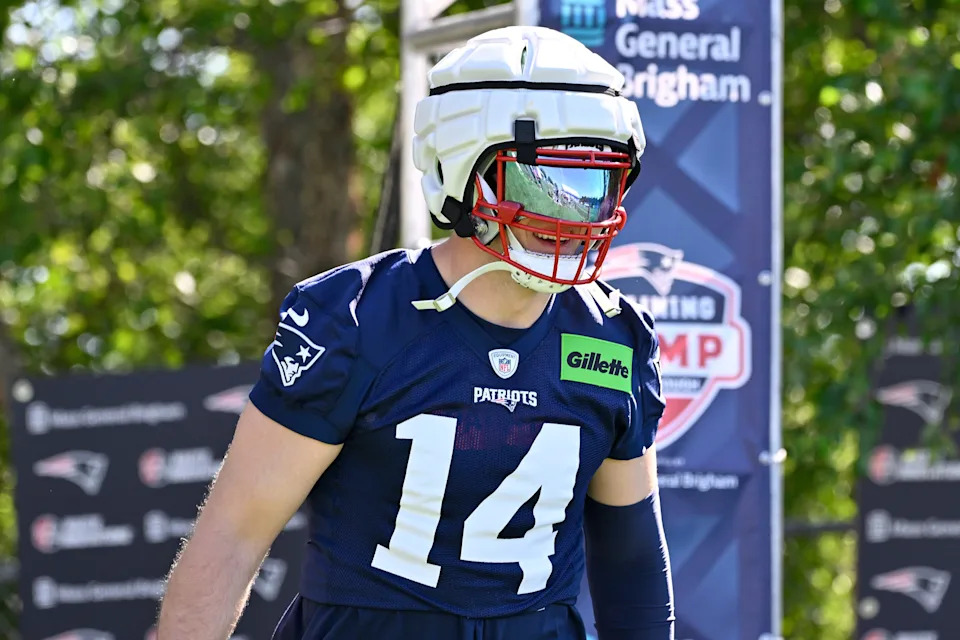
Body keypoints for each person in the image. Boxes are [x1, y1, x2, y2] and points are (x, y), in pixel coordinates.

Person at [157, 25, 674, 640]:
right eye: (549, 183)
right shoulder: (356, 320)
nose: (574, 214)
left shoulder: (611, 338)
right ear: (461, 168)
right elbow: (232, 537)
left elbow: (633, 565)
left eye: (596, 187)